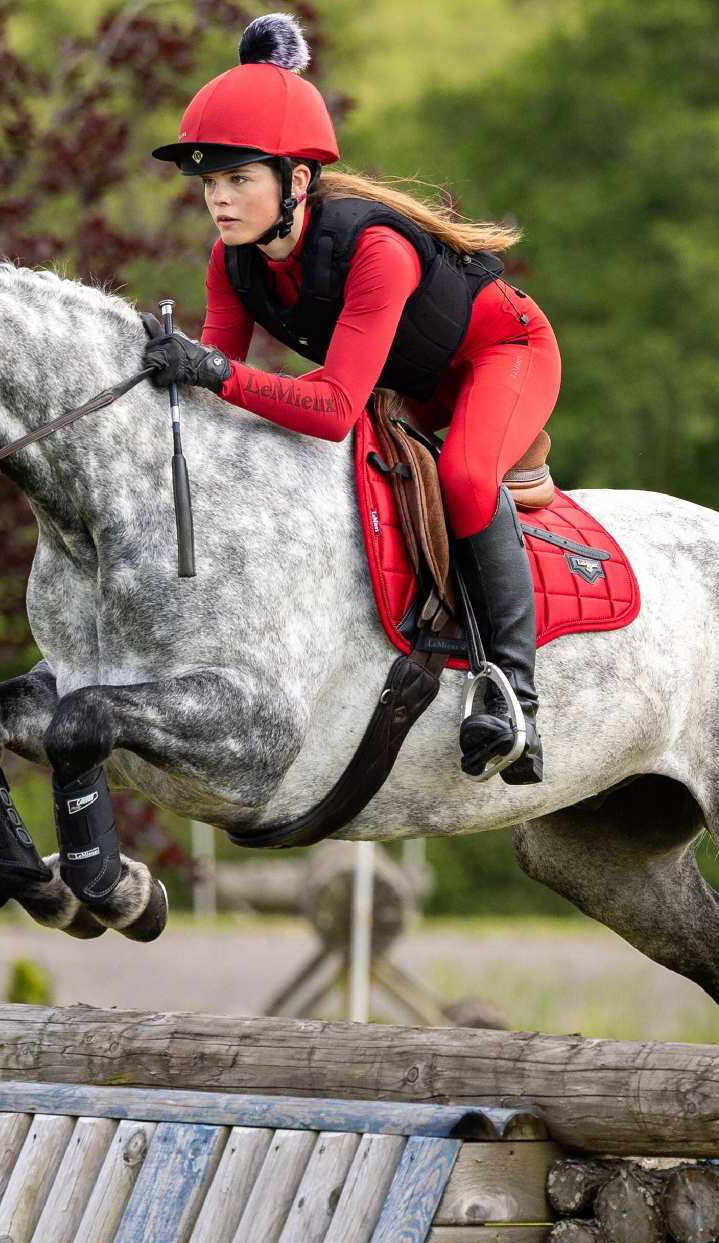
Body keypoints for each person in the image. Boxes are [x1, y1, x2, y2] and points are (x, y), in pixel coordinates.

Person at [144, 13, 561, 785]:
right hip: (406, 387)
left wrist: (211, 373)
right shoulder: (232, 261)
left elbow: (330, 407)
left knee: (467, 477)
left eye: (239, 179)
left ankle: (513, 700)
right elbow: (221, 392)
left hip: (503, 355)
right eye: (210, 183)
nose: (220, 201)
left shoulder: (377, 248)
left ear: (296, 180)